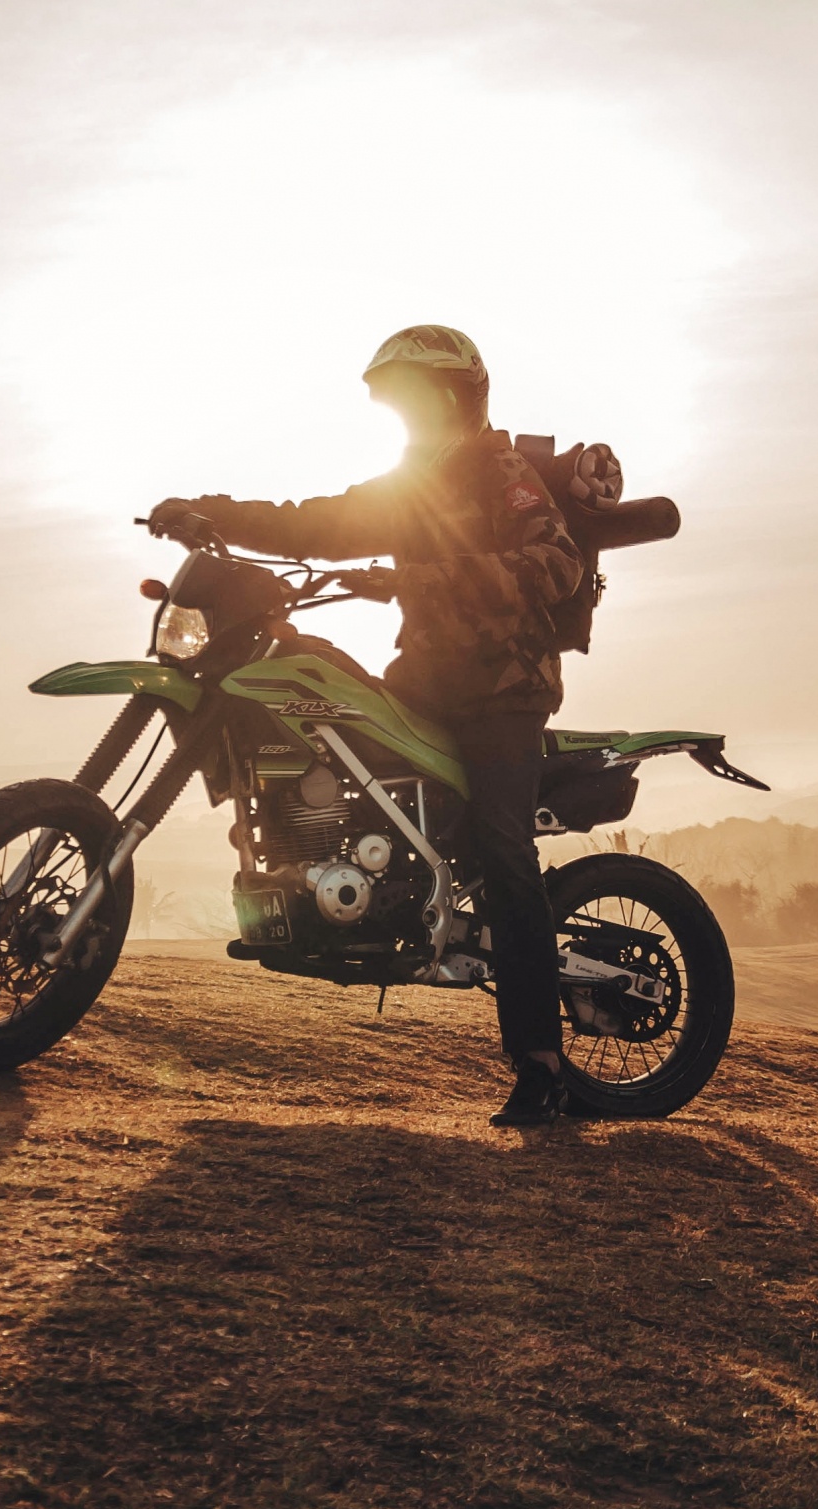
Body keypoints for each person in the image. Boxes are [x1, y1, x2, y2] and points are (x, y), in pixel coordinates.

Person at [147, 324, 587, 1129]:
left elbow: (557, 565)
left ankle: (542, 1064)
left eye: (416, 396)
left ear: (455, 394)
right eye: (397, 402)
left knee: (504, 852)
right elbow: (311, 522)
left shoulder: (504, 472)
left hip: (502, 693)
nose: (406, 413)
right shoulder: (407, 484)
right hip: (422, 684)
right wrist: (208, 513)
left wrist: (413, 578)